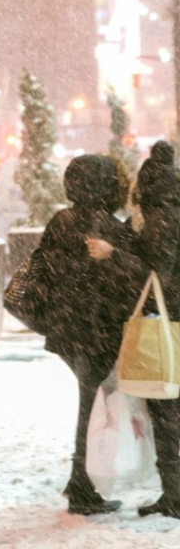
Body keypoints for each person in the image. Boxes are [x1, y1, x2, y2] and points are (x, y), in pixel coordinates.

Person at [32, 153, 146, 515]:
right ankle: (83, 487)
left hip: (69, 329)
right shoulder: (109, 226)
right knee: (93, 407)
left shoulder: (60, 220)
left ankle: (80, 482)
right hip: (97, 331)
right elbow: (132, 280)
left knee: (89, 403)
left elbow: (44, 269)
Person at [92, 140, 180, 517]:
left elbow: (155, 274)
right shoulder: (167, 213)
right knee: (168, 409)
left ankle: (175, 496)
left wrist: (114, 254)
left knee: (166, 410)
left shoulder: (161, 218)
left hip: (167, 322)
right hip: (172, 318)